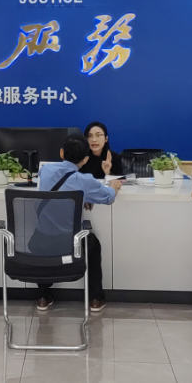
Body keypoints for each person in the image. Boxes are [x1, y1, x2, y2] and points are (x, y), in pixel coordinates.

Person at [36, 134, 122, 313]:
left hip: (41, 241)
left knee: (44, 238)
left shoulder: (45, 170)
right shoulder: (85, 181)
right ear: (85, 159)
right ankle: (96, 299)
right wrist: (114, 187)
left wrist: (82, 197)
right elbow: (108, 198)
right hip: (70, 244)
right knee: (93, 243)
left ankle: (43, 297)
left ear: (61, 153)